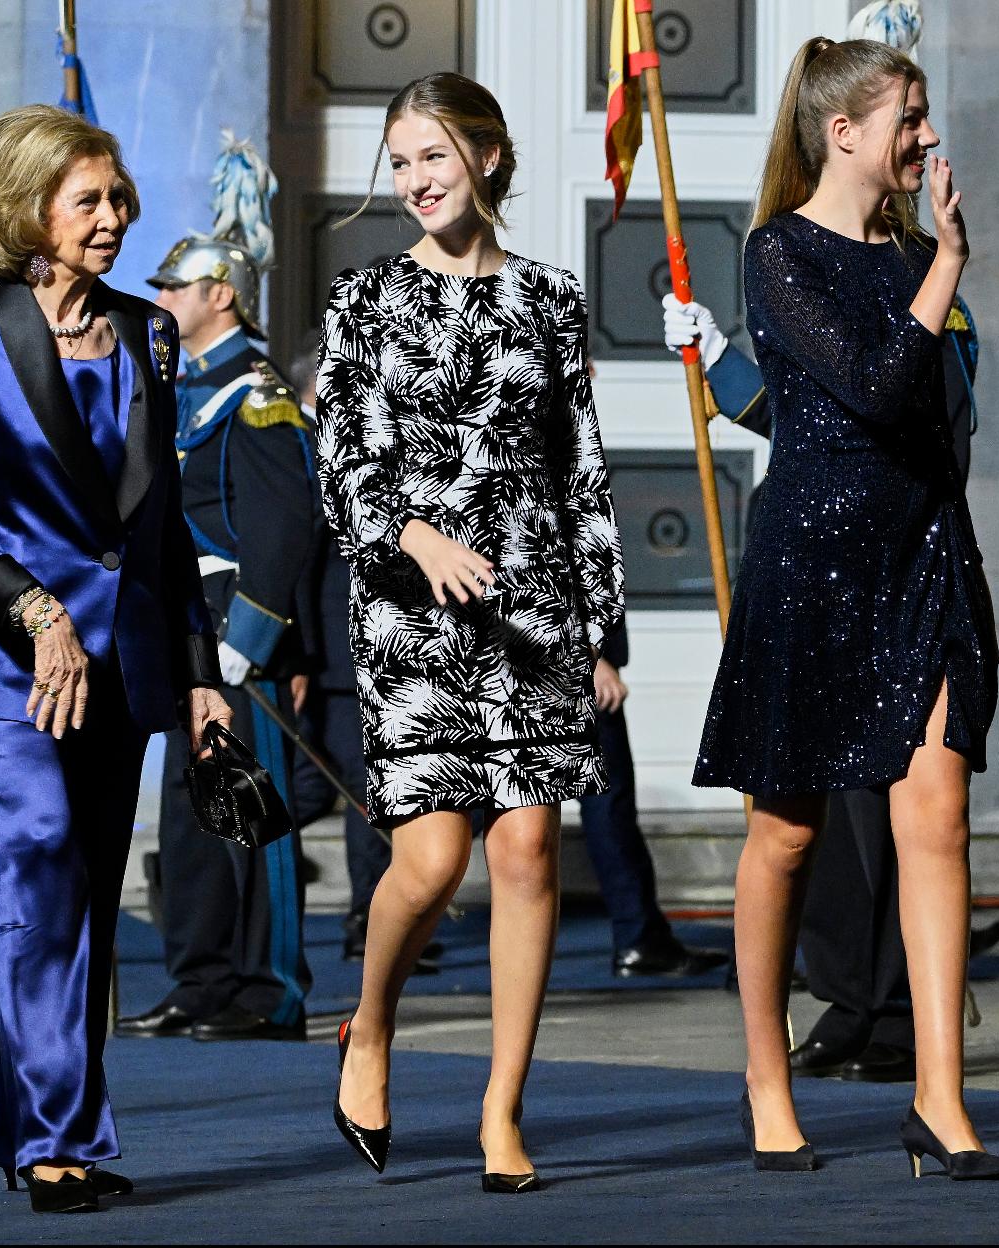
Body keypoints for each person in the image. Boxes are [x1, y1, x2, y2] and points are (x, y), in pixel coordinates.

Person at [693, 38, 999, 1178]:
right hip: (812, 569)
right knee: (786, 834)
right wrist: (950, 267)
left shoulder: (919, 256)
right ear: (844, 132)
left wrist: (939, 265)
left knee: (939, 815)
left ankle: (941, 1100)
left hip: (921, 558)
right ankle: (765, 1077)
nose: (927, 137)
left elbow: (941, 417)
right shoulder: (779, 251)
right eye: (908, 118)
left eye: (924, 115)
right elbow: (877, 385)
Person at [0, 105, 231, 1213]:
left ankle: (39, 1126)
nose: (114, 217)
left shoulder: (149, 334)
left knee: (84, 888)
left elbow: (164, 525)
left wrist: (200, 674)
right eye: (88, 199)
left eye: (118, 196)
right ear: (28, 209)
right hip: (4, 656)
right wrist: (40, 615)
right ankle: (59, 1142)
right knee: (42, 855)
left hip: (122, 657)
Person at [315, 72, 624, 1190]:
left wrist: (603, 630)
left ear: (487, 157)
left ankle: (503, 1111)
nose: (414, 180)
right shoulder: (363, 300)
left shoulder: (551, 298)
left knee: (528, 849)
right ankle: (371, 1024)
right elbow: (340, 460)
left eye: (432, 156)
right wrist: (416, 537)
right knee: (434, 858)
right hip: (411, 613)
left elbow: (580, 471)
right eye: (399, 163)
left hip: (534, 610)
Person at [664, 281, 999, 1081]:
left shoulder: (930, 295)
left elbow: (907, 429)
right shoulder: (803, 275)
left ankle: (898, 1014)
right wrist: (721, 360)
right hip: (818, 575)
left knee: (897, 818)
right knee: (824, 822)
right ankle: (848, 999)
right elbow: (798, 419)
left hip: (896, 570)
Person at [115, 135, 317, 1044]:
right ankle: (200, 980)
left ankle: (270, 988)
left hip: (235, 633)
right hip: (190, 630)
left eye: (175, 288)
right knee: (193, 819)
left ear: (220, 295)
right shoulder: (184, 388)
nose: (161, 300)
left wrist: (252, 637)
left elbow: (283, 526)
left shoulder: (256, 393)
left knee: (251, 818)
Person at [288, 337, 445, 973]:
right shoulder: (308, 445)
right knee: (360, 787)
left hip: (363, 644)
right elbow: (300, 560)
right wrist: (299, 653)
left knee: (327, 784)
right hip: (336, 650)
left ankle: (371, 914)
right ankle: (367, 918)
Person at [579, 620, 728, 978]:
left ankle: (641, 936)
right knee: (608, 799)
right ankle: (639, 937)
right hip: (563, 652)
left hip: (530, 655)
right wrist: (586, 653)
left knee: (487, 797)